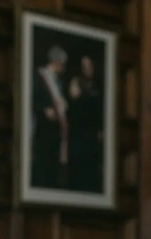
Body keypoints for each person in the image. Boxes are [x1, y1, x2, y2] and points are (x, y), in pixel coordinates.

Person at [31, 45, 69, 188]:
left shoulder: (59, 81)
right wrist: (44, 110)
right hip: (43, 127)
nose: (63, 67)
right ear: (57, 62)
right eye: (62, 64)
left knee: (54, 163)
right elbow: (32, 100)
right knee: (43, 162)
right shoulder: (40, 77)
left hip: (56, 128)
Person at [66, 54, 103, 193]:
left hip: (92, 132)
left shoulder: (98, 85)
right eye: (84, 66)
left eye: (89, 66)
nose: (87, 69)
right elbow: (73, 104)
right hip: (78, 132)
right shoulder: (76, 82)